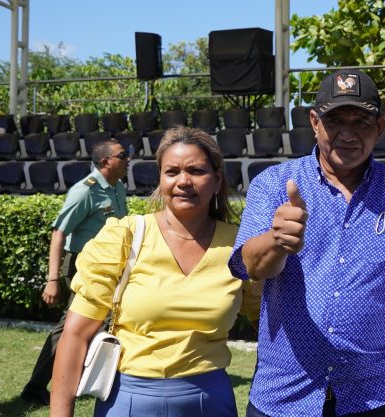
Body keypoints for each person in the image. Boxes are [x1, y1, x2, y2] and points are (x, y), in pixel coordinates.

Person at [229, 69, 385, 417]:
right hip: (286, 391)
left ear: (380, 125)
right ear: (315, 122)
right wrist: (277, 240)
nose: (348, 134)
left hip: (375, 391)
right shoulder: (275, 184)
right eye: (335, 120)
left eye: (361, 121)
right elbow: (250, 266)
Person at [50, 127, 258, 417]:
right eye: (172, 172)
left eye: (196, 171)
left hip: (210, 403)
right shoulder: (125, 237)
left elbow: (271, 326)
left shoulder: (241, 246)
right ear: (161, 180)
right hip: (128, 402)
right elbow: (75, 336)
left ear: (216, 180)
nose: (183, 181)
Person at [20, 140, 129, 406]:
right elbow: (59, 233)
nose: (129, 159)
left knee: (84, 324)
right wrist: (53, 279)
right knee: (75, 325)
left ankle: (72, 380)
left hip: (107, 264)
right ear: (106, 162)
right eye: (124, 155)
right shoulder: (84, 192)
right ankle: (37, 387)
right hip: (82, 264)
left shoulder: (118, 187)